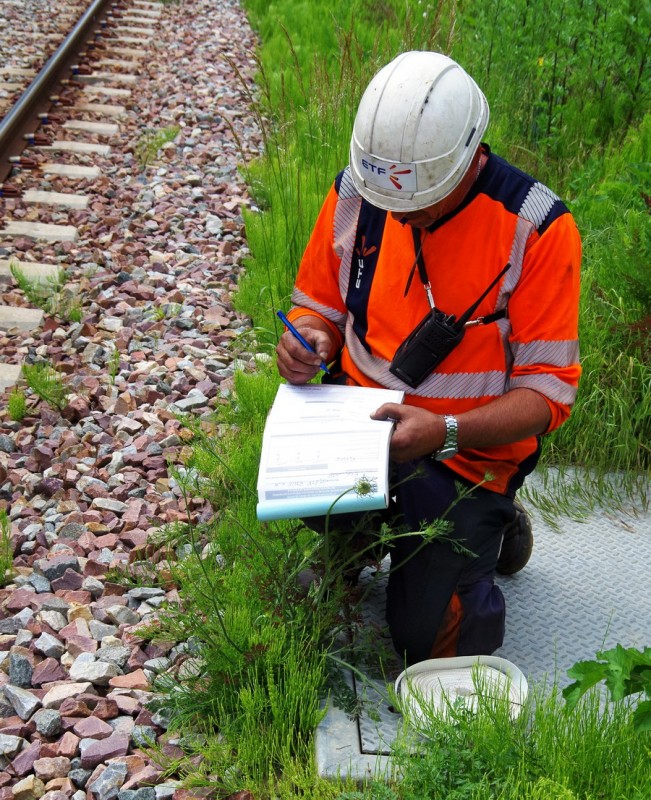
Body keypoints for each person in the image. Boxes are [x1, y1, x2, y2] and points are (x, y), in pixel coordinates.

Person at [276, 51, 581, 665]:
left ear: (466, 161)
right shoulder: (361, 191)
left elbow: (548, 396)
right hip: (356, 428)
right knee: (295, 537)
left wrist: (443, 432)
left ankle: (496, 529)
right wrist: (310, 342)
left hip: (466, 456)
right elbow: (319, 308)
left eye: (417, 203)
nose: (397, 213)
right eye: (387, 199)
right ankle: (354, 539)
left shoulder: (536, 228)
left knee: (432, 646)